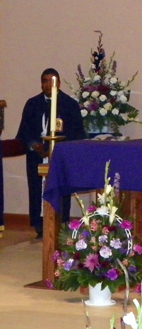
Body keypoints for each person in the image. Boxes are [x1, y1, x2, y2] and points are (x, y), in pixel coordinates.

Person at [16, 68, 86, 239]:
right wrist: (35, 145)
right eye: (45, 80)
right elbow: (24, 130)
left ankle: (61, 224)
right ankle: (40, 226)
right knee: (36, 189)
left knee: (60, 189)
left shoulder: (69, 104)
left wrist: (58, 148)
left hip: (61, 156)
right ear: (41, 83)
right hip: (36, 155)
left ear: (59, 82)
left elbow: (77, 133)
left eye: (52, 80)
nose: (48, 84)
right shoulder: (32, 104)